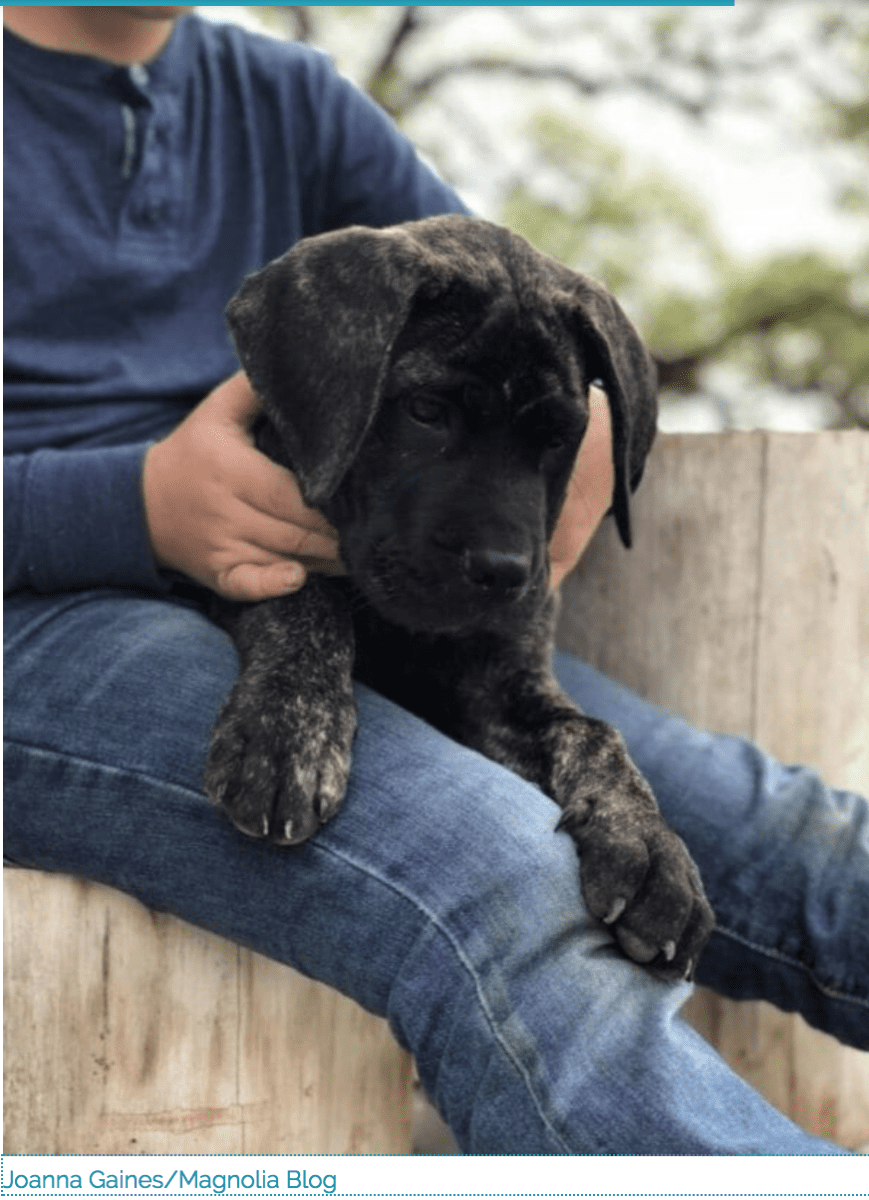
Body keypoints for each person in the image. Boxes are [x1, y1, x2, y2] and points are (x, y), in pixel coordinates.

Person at [4, 6, 867, 1156]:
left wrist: (560, 462)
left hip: (321, 590)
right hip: (40, 621)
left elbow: (513, 316)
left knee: (783, 839)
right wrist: (139, 507)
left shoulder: (287, 100)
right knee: (505, 873)